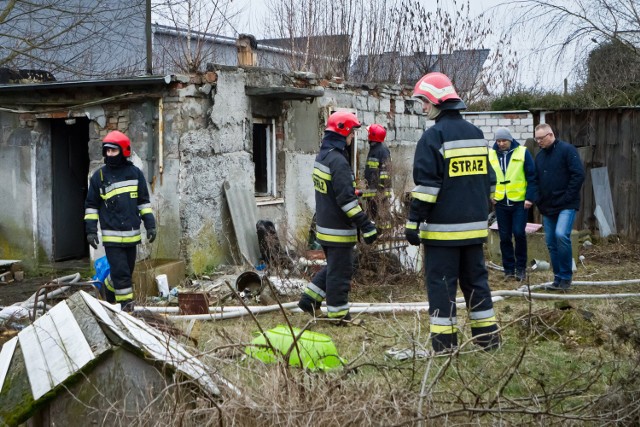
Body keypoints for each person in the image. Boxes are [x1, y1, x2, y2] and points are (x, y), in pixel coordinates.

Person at [404, 72, 500, 353]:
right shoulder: (476, 134)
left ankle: (445, 346)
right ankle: (489, 341)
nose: (422, 107)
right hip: (475, 230)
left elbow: (427, 188)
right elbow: (490, 180)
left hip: (443, 233)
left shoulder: (432, 137)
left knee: (442, 288)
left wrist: (413, 222)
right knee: (477, 284)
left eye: (423, 101)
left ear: (436, 101)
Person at [298, 111, 378, 323]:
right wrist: (366, 225)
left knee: (334, 267)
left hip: (325, 226)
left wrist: (351, 191)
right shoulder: (339, 161)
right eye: (352, 133)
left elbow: (333, 191)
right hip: (339, 229)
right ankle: (339, 316)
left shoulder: (323, 156)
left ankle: (309, 299)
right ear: (344, 132)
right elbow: (346, 203)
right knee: (340, 273)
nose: (352, 138)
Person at [84, 131, 157, 311]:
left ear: (123, 151)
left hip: (132, 237)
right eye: (107, 151)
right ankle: (127, 307)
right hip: (112, 238)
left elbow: (143, 204)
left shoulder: (135, 174)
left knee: (123, 273)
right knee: (123, 274)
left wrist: (150, 225)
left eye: (113, 151)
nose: (109, 155)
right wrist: (91, 231)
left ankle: (108, 291)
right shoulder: (98, 177)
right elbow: (91, 206)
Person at [534, 123, 585, 291]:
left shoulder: (567, 150)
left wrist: (567, 197)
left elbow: (578, 175)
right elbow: (536, 180)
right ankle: (557, 278)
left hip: (566, 205)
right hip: (548, 206)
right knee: (550, 242)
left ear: (551, 135)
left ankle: (566, 276)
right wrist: (539, 200)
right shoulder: (540, 156)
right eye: (537, 139)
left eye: (541, 138)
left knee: (561, 235)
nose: (539, 141)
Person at [489, 127, 538, 282]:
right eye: (498, 141)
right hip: (500, 202)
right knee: (504, 237)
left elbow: (532, 176)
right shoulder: (490, 155)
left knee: (518, 233)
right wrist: (491, 195)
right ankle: (509, 269)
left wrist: (530, 198)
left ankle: (521, 268)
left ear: (510, 140)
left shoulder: (523, 152)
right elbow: (487, 177)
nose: (501, 143)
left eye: (504, 140)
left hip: (519, 202)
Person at [361, 124, 392, 230]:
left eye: (369, 133)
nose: (367, 135)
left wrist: (380, 192)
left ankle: (384, 236)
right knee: (373, 216)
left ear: (373, 135)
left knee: (382, 216)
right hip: (374, 192)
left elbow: (385, 173)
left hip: (379, 192)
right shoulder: (374, 149)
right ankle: (377, 236)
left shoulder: (382, 150)